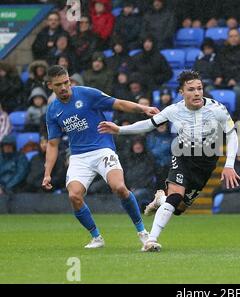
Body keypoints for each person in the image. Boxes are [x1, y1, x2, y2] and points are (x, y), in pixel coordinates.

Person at [98, 70, 240, 252]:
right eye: (191, 89)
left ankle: (161, 199)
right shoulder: (174, 110)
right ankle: (151, 240)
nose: (197, 93)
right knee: (175, 196)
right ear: (181, 92)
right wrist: (119, 129)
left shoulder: (217, 109)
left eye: (199, 88)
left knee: (179, 207)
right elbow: (149, 125)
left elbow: (232, 135)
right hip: (182, 156)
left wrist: (229, 165)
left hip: (206, 163)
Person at [42, 65, 160, 250]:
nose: (64, 87)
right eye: (59, 85)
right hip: (79, 157)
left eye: (66, 82)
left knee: (119, 187)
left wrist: (143, 108)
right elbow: (53, 144)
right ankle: (96, 237)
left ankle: (143, 233)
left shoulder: (87, 94)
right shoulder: (52, 110)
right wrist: (47, 173)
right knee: (74, 196)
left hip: (102, 150)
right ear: (50, 85)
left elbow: (118, 103)